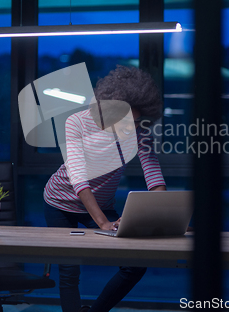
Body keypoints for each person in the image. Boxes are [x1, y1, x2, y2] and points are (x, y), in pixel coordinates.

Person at [43, 65, 166, 312]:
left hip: (102, 204)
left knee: (135, 266)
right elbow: (78, 177)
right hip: (60, 201)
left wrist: (164, 213)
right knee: (68, 271)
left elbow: (152, 173)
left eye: (136, 120)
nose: (130, 126)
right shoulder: (76, 122)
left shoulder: (138, 131)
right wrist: (102, 223)